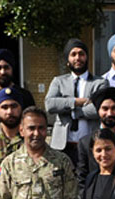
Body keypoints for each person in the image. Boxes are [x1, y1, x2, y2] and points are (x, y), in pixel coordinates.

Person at [46, 38, 106, 167]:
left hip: (90, 145)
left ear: (87, 58)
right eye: (73, 54)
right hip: (63, 145)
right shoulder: (58, 81)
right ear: (68, 60)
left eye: (81, 54)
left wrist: (74, 112)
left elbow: (100, 109)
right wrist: (76, 102)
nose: (77, 58)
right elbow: (50, 104)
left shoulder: (99, 83)